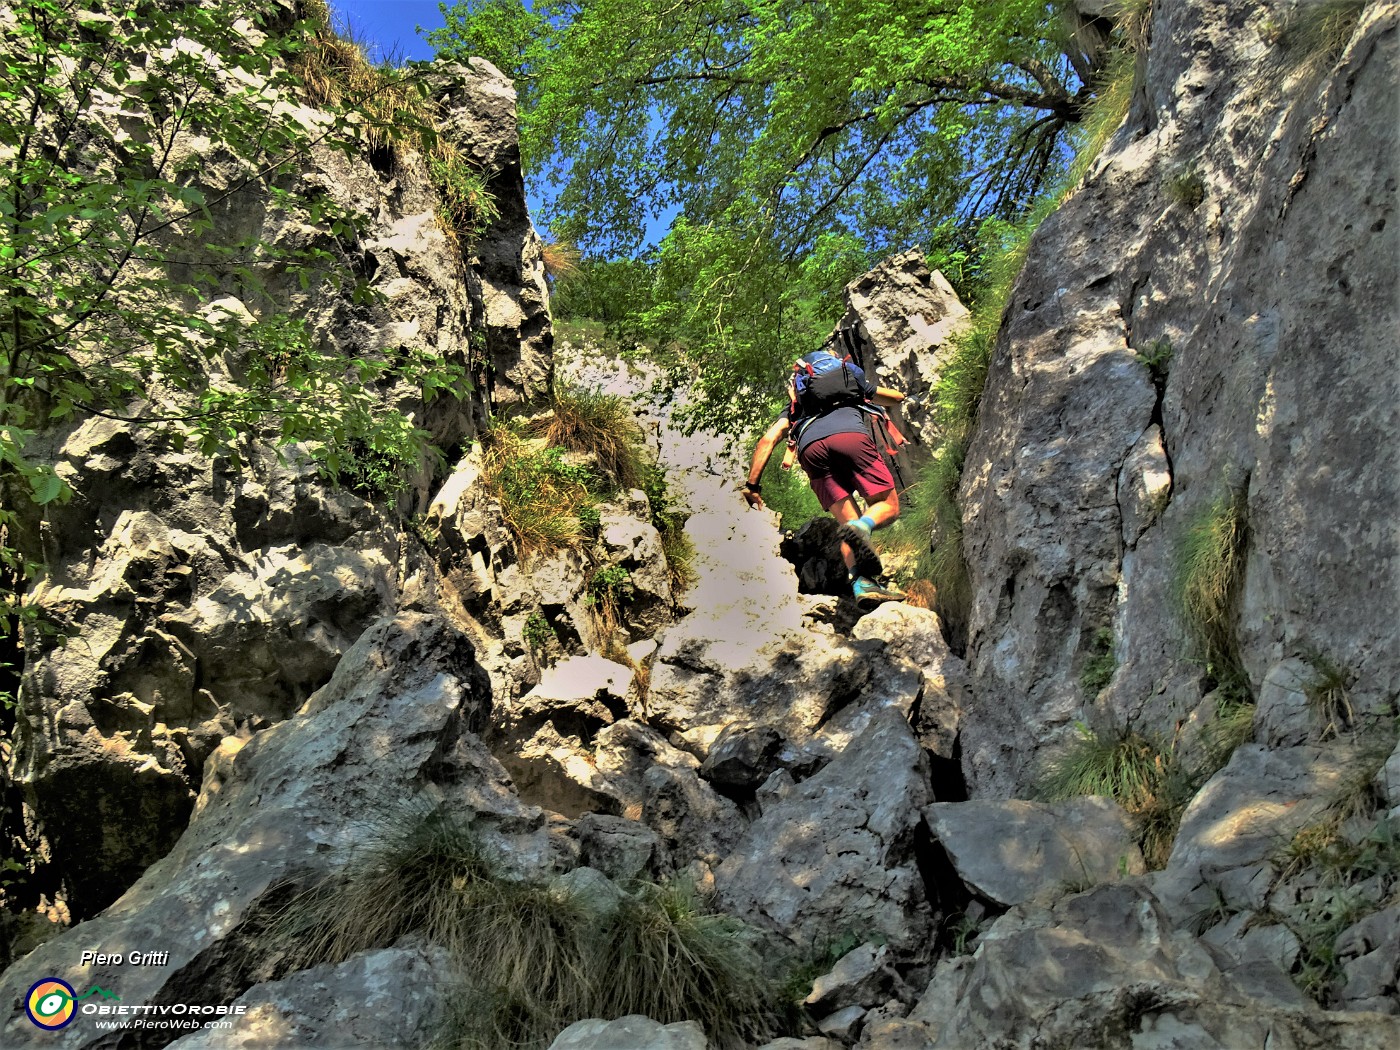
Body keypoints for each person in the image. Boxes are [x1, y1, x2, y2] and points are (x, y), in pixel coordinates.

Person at [742, 350, 907, 607]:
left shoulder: (797, 406)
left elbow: (768, 440)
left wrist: (752, 486)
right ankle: (861, 529)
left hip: (810, 450)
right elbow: (894, 399)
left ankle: (861, 583)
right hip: (849, 437)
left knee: (848, 522)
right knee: (887, 506)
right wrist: (901, 395)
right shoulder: (850, 382)